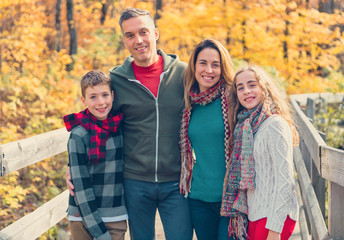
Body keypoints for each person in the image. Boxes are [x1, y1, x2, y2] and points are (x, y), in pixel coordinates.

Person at [66, 8, 193, 240]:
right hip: (134, 182)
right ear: (124, 40)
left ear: (155, 33)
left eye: (143, 32)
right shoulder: (116, 80)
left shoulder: (185, 74)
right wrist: (72, 164)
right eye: (130, 35)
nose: (139, 40)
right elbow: (94, 119)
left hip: (176, 182)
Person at [222, 63, 299, 240]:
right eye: (240, 88)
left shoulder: (275, 125)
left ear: (264, 88)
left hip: (274, 217)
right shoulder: (246, 126)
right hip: (256, 214)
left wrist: (275, 229)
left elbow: (285, 181)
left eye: (252, 85)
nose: (246, 91)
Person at [179, 39, 236, 240]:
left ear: (223, 68)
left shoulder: (233, 99)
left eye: (215, 64)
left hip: (231, 199)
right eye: (203, 63)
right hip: (199, 198)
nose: (209, 70)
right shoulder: (189, 102)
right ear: (194, 66)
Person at [63, 70, 128, 240]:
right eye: (93, 97)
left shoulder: (121, 128)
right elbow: (81, 187)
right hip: (82, 217)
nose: (100, 102)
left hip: (115, 214)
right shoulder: (79, 134)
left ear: (112, 96)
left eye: (105, 95)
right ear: (83, 100)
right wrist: (99, 232)